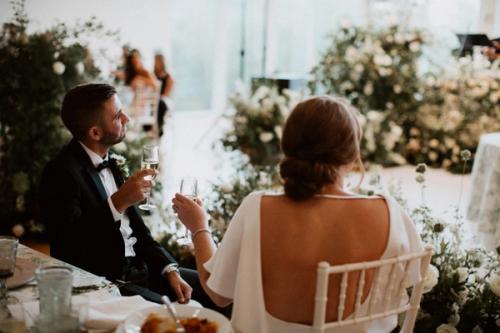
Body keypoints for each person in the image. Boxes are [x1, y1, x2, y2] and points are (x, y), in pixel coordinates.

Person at [173, 96, 424, 332]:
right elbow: (411, 282)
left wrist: (199, 227)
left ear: (288, 147)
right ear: (351, 155)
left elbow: (218, 294)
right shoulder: (389, 213)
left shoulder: (257, 208)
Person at [39, 83, 224, 311]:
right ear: (95, 132)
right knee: (189, 316)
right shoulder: (60, 173)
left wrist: (169, 269)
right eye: (118, 116)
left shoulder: (112, 160)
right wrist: (118, 202)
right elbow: (69, 247)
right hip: (109, 283)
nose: (127, 118)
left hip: (144, 269)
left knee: (220, 294)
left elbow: (139, 233)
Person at [153, 53, 175, 137]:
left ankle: (159, 127)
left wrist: (158, 98)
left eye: (157, 61)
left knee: (160, 103)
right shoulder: (153, 75)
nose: (156, 63)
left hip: (164, 100)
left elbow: (166, 94)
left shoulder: (169, 77)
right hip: (155, 99)